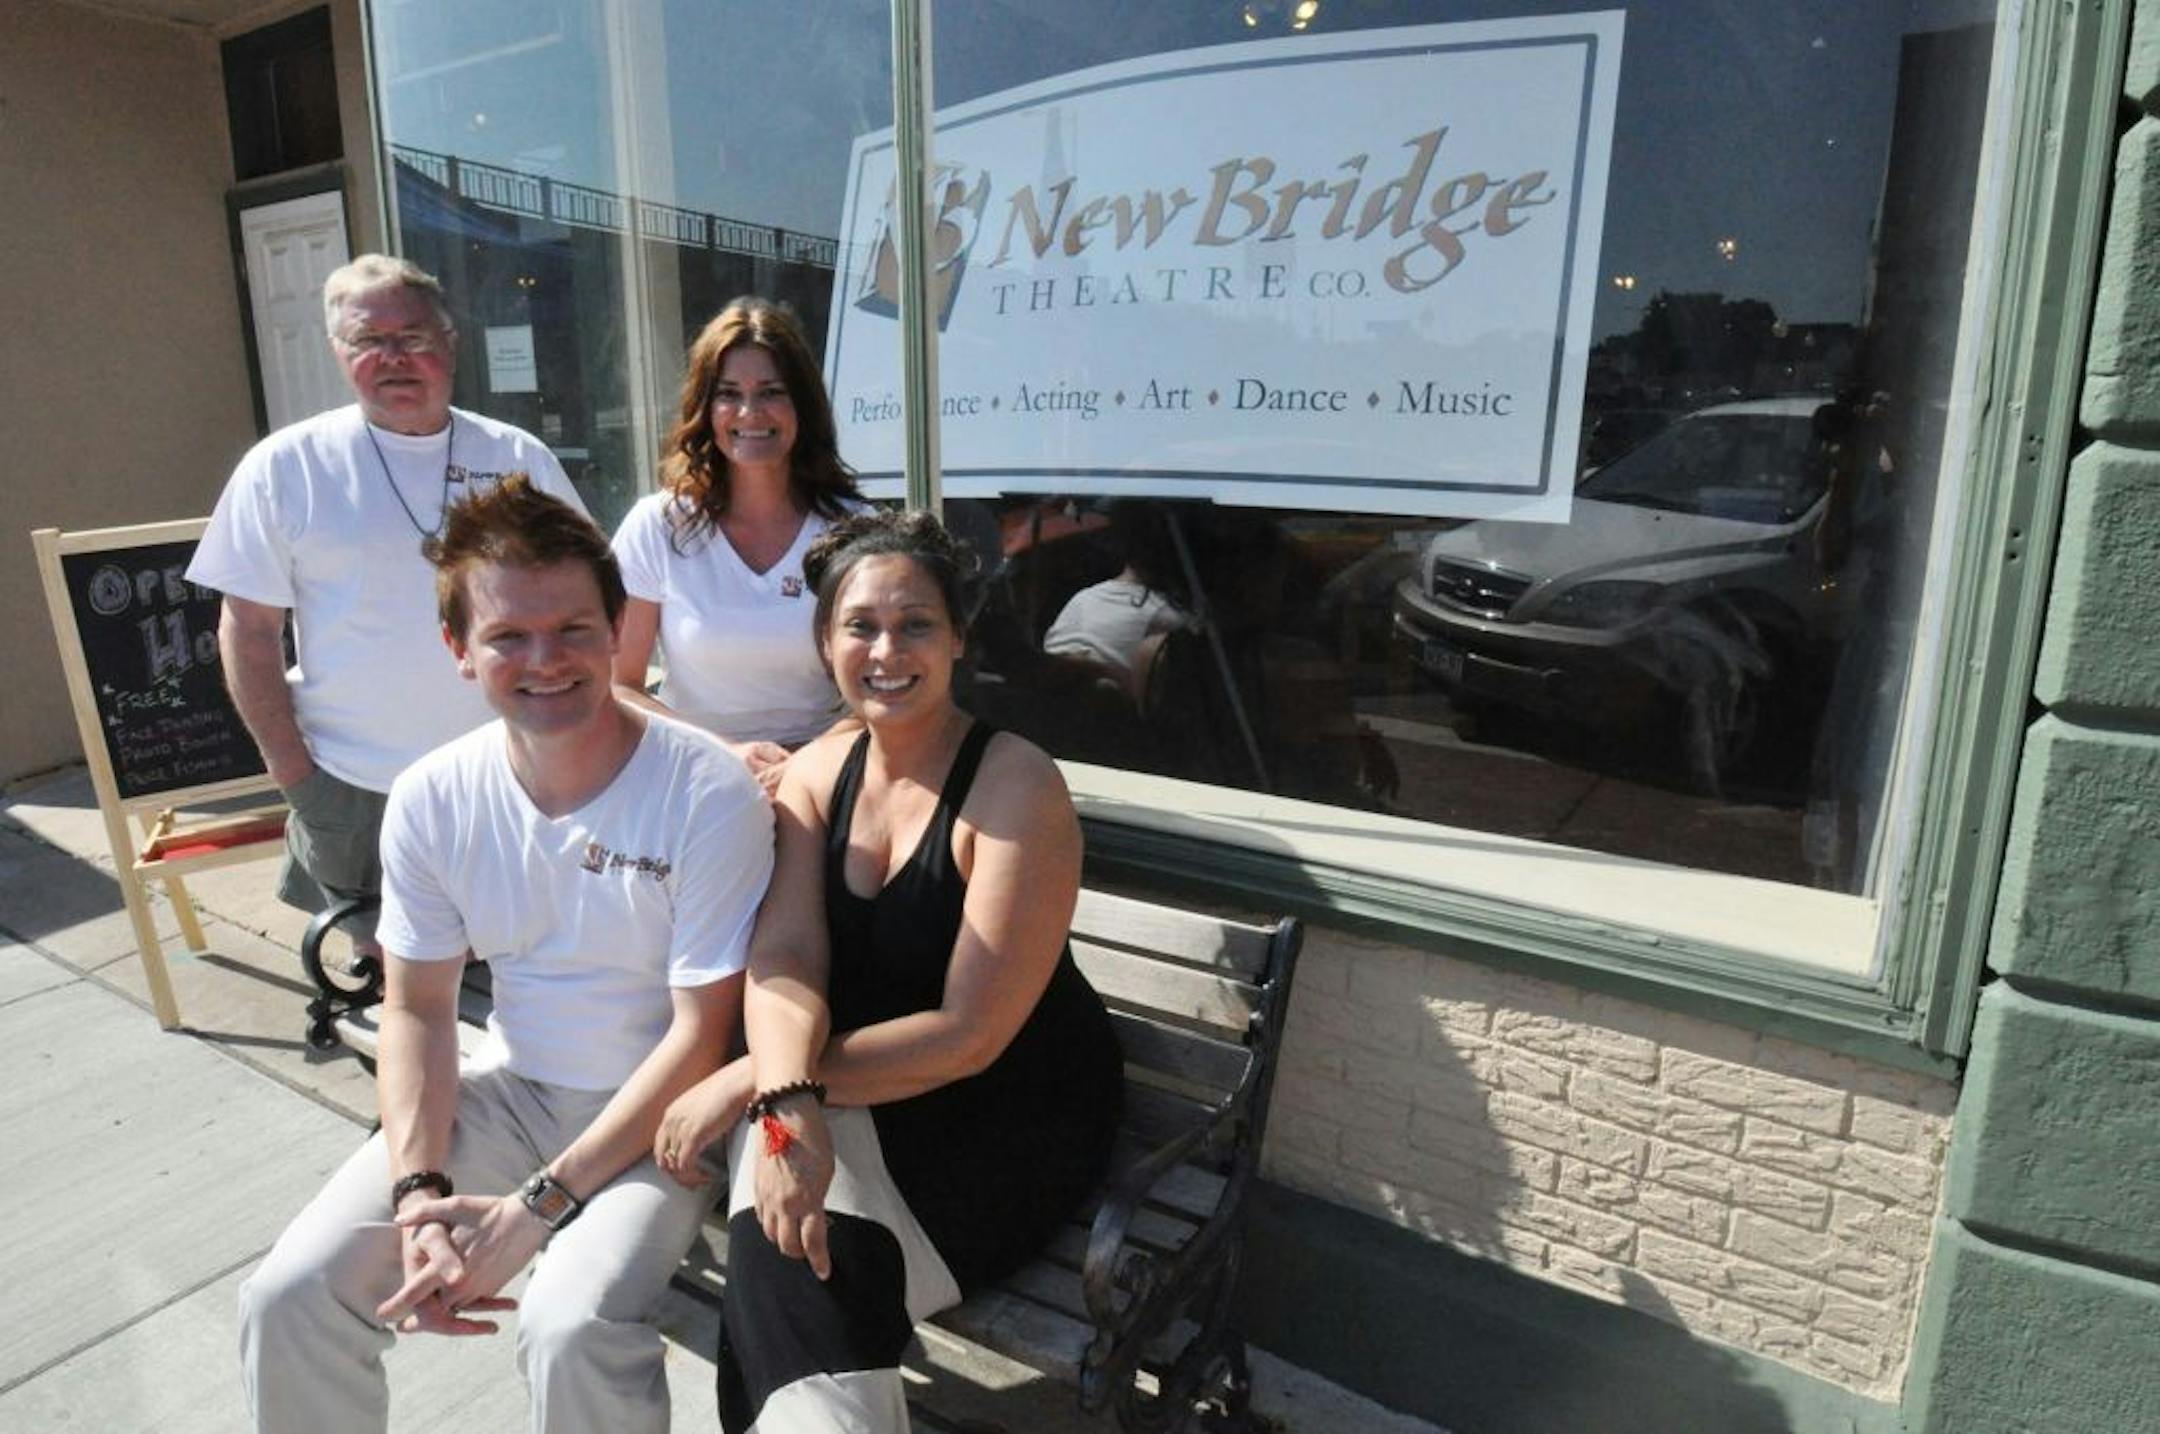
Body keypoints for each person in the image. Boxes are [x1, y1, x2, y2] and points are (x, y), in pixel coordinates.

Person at [236, 478, 773, 1433]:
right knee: (289, 1298)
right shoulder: (434, 797)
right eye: (507, 637)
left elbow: (704, 1035)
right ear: (458, 650)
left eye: (572, 629)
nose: (546, 661)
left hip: (663, 1128)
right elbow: (417, 1011)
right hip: (512, 1091)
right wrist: (418, 1194)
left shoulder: (705, 793)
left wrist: (536, 1206)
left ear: (618, 633)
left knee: (569, 1331)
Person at [652, 509, 1123, 1432]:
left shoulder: (1016, 786)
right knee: (793, 1237)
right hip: (859, 1085)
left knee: (789, 1237)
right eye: (860, 625)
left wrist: (761, 1080)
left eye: (916, 625)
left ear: (956, 640)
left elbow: (969, 1035)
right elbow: (785, 955)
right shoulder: (820, 770)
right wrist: (786, 1103)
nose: (887, 649)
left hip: (1006, 1114)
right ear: (825, 640)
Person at [188, 254, 588, 961]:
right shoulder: (286, 467)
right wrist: (294, 775)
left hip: (506, 775)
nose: (392, 358)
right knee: (388, 972)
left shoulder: (516, 457)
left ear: (449, 342)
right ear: (339, 354)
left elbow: (586, 598)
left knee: (521, 963)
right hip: (352, 786)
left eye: (412, 336)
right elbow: (248, 630)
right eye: (366, 340)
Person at [612, 297, 864, 795]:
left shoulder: (854, 529)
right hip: (692, 772)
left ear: (803, 406)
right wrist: (726, 753)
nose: (750, 412)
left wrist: (806, 765)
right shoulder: (655, 526)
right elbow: (619, 685)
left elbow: (879, 694)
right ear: (705, 409)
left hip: (825, 773)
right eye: (729, 393)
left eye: (771, 391)